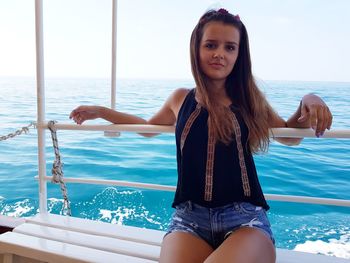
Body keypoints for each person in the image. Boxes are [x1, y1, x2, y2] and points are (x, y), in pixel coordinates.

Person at [70, 8, 332, 263]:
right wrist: (103, 111)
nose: (219, 54)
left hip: (245, 220)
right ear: (197, 48)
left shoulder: (250, 100)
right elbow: (147, 127)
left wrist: (308, 100)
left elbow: (290, 136)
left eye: (230, 47)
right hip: (189, 219)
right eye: (211, 45)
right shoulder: (180, 98)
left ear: (239, 54)